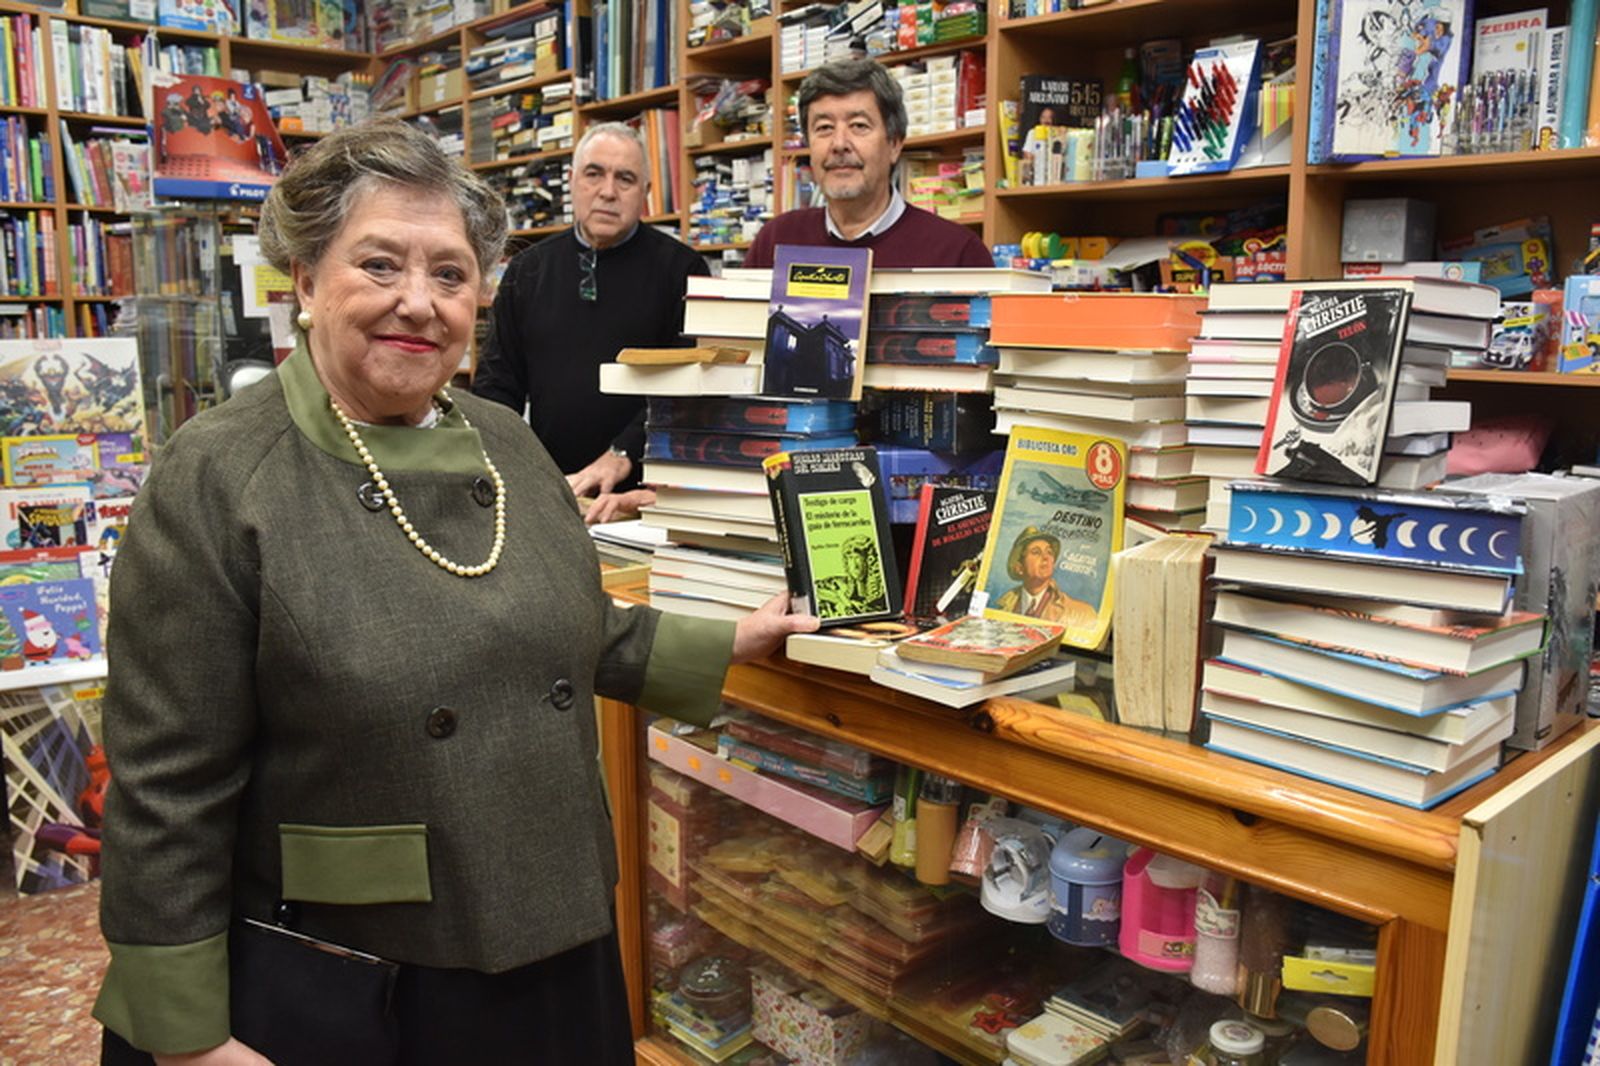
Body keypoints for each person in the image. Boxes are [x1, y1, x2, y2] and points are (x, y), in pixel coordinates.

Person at [91, 120, 815, 1066]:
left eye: (450, 274)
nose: (418, 303)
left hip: (555, 936)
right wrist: (185, 1037)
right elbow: (165, 783)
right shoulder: (221, 474)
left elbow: (575, 629)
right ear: (306, 282)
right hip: (362, 965)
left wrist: (729, 641)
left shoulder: (505, 444)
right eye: (380, 265)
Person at [473, 121, 709, 524]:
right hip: (548, 489)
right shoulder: (528, 271)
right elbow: (497, 386)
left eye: (626, 179)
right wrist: (514, 465)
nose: (608, 191)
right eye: (594, 173)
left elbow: (688, 389)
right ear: (572, 181)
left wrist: (621, 453)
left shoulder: (683, 271)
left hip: (643, 496)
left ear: (646, 194)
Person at [743, 58, 992, 270]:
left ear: (894, 144)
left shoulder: (958, 253)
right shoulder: (776, 241)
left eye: (859, 126)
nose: (839, 144)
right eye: (824, 128)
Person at [990, 526, 1096, 628]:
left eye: (1049, 552)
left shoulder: (1082, 614)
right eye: (1036, 552)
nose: (1046, 557)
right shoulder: (1002, 607)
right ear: (1020, 568)